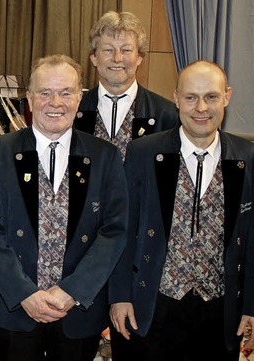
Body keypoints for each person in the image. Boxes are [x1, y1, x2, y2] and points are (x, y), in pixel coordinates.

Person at [0, 54, 128, 361]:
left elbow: (114, 231)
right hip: (16, 309)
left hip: (77, 312)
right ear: (29, 98)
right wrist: (24, 293)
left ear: (80, 98)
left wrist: (73, 290)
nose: (55, 102)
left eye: (66, 92)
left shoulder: (105, 156)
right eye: (45, 92)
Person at [108, 60, 254, 360]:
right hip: (151, 304)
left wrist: (251, 306)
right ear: (176, 98)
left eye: (211, 97)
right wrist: (119, 296)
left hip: (220, 310)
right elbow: (122, 230)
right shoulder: (143, 152)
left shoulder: (248, 157)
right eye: (191, 97)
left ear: (226, 96)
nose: (201, 107)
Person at [77, 11, 178, 158]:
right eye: (108, 50)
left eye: (126, 50)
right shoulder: (73, 111)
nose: (117, 58)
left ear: (139, 57)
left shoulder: (167, 115)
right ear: (94, 58)